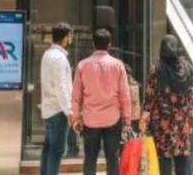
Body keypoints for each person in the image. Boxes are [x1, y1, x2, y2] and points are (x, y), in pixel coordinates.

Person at [71, 29, 130, 175]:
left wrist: (76, 117)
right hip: (112, 119)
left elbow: (76, 95)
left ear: (93, 44)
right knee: (113, 158)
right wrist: (127, 119)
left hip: (90, 120)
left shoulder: (82, 65)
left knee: (90, 158)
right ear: (109, 45)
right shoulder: (118, 65)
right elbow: (125, 95)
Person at [140, 35, 193, 175]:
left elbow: (150, 97)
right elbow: (191, 97)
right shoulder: (188, 68)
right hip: (182, 123)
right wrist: (192, 114)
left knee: (164, 158)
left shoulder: (157, 69)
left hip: (162, 124)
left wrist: (146, 114)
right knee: (182, 157)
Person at [40, 23, 74, 175]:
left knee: (48, 149)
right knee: (57, 151)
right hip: (58, 110)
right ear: (66, 37)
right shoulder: (60, 59)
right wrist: (68, 111)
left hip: (48, 109)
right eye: (70, 35)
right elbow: (62, 88)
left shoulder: (48, 55)